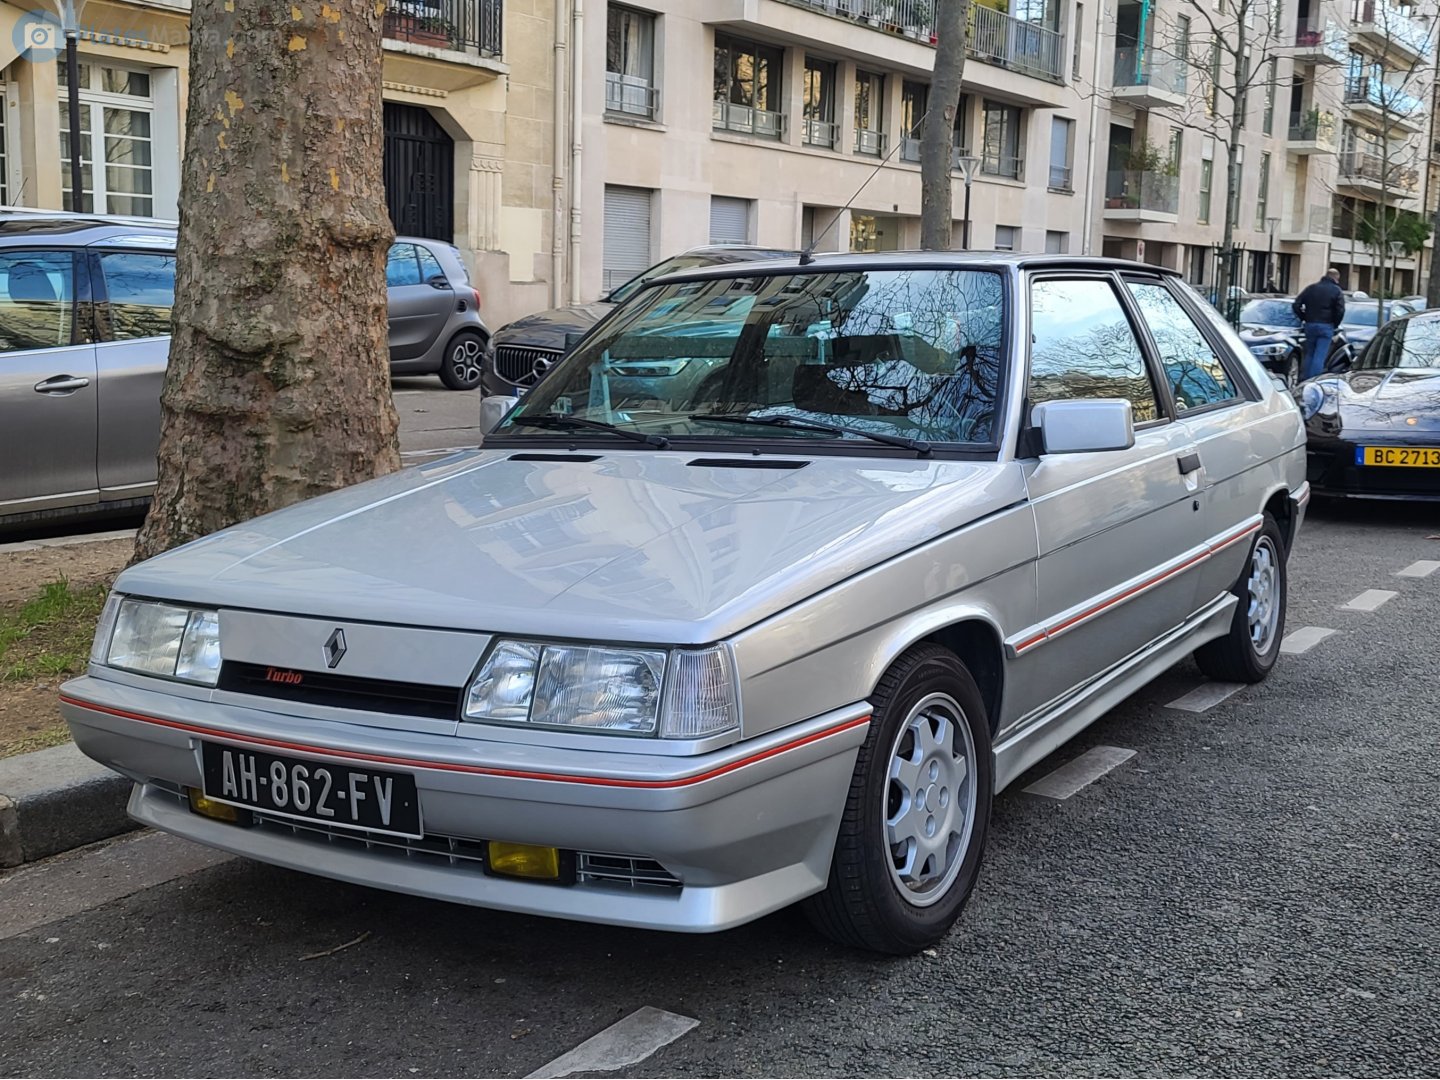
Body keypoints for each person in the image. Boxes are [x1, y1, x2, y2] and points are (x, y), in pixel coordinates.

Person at [1292, 269, 1346, 381]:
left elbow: (1296, 304)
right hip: (1326, 325)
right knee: (1320, 355)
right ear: (1336, 278)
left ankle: (1304, 379)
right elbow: (1340, 310)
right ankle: (1314, 380)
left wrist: (1304, 317)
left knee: (1310, 354)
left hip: (1310, 324)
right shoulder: (1336, 290)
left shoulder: (1311, 288)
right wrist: (1335, 323)